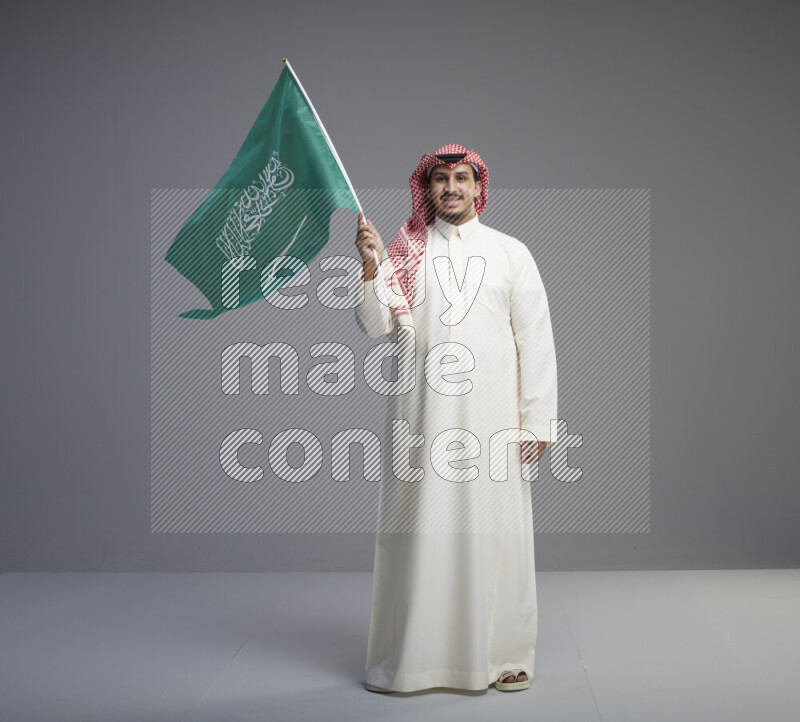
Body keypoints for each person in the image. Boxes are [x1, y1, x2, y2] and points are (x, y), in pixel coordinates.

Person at [353, 143, 557, 693]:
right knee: (422, 531)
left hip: (494, 422)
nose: (451, 188)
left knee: (498, 533)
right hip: (422, 419)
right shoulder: (403, 250)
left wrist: (537, 420)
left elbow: (534, 340)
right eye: (440, 179)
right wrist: (371, 265)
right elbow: (375, 325)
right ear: (427, 188)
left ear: (477, 187)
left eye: (461, 179)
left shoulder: (512, 253)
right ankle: (417, 657)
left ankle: (505, 655)